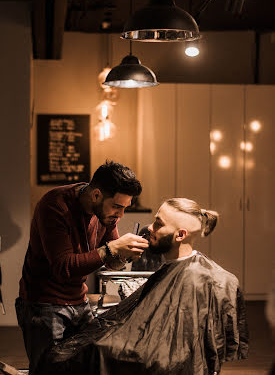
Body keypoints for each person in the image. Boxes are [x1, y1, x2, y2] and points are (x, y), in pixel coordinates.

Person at [37, 197, 249, 375]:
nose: (150, 228)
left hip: (159, 361)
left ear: (180, 235)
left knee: (74, 356)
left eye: (158, 223)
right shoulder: (175, 269)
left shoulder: (203, 278)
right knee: (66, 353)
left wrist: (104, 347)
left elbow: (168, 351)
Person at [15, 160, 149, 375]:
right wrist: (113, 247)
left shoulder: (105, 213)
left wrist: (125, 253)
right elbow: (63, 266)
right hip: (43, 304)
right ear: (96, 195)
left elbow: (111, 261)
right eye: (117, 206)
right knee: (49, 371)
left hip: (79, 300)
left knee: (86, 366)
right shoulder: (56, 205)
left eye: (125, 208)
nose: (120, 215)